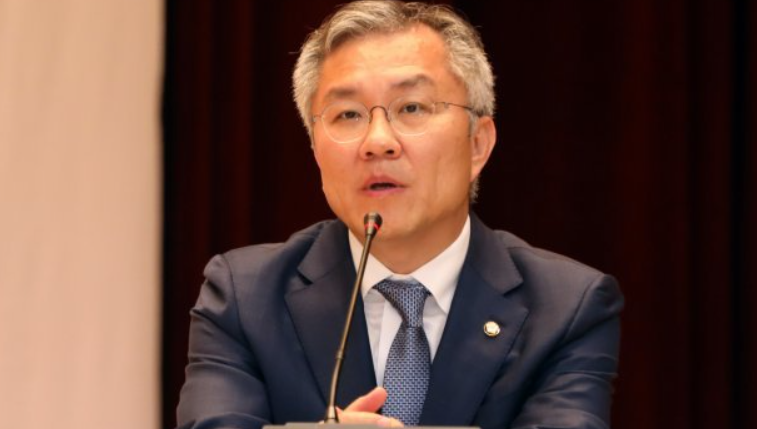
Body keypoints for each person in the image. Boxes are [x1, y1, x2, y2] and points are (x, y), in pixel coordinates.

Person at [176, 2, 624, 428]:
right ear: (314, 149)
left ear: (477, 144)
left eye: (411, 108)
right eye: (347, 114)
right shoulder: (244, 299)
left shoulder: (566, 308)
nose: (377, 142)